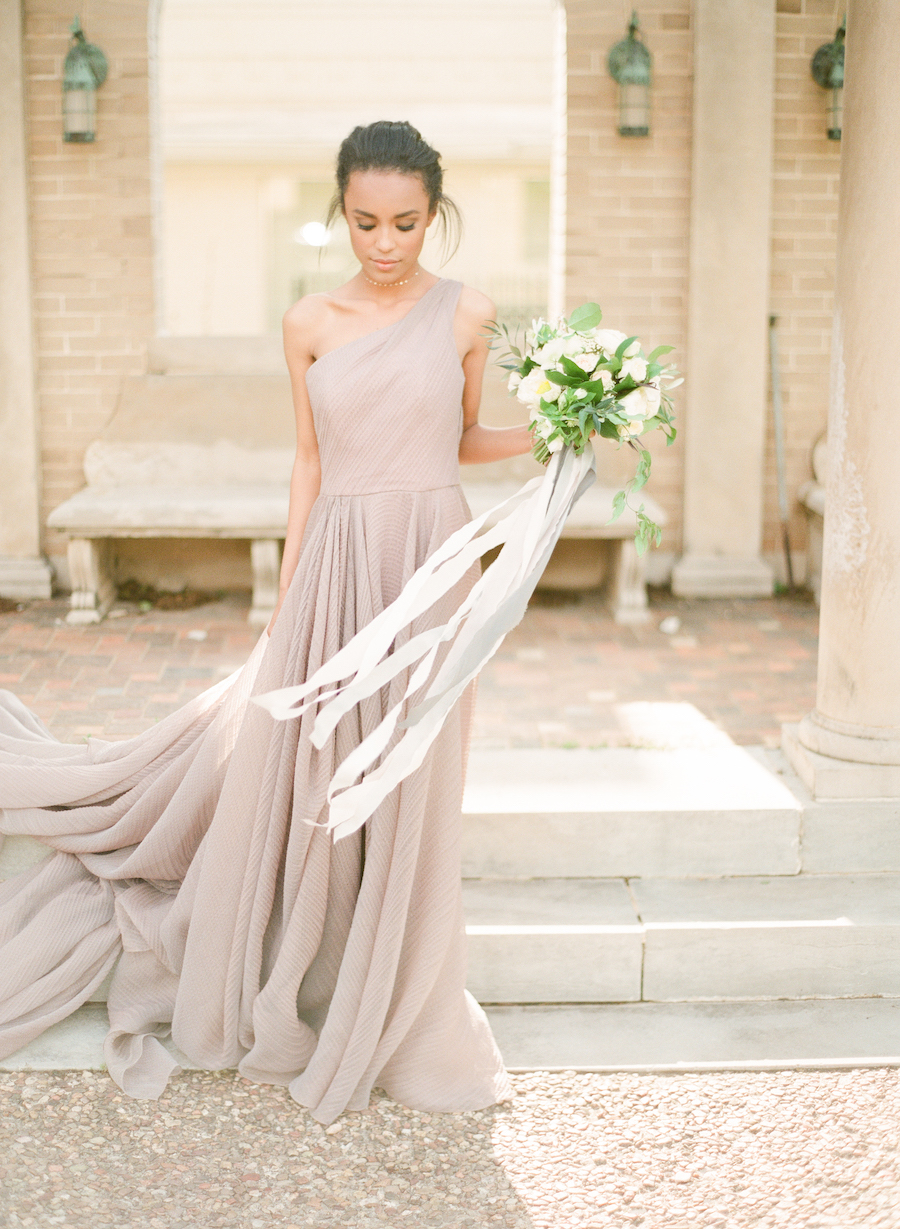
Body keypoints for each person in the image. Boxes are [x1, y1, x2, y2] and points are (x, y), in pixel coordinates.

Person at [0, 120, 536, 1125]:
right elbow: (308, 458)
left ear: (435, 214)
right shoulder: (309, 321)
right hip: (337, 557)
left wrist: (560, 426)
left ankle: (398, 991)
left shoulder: (468, 314)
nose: (386, 241)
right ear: (341, 212)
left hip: (430, 557)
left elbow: (461, 436)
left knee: (414, 767)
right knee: (321, 759)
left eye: (408, 222)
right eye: (368, 221)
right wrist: (293, 592)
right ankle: (315, 962)